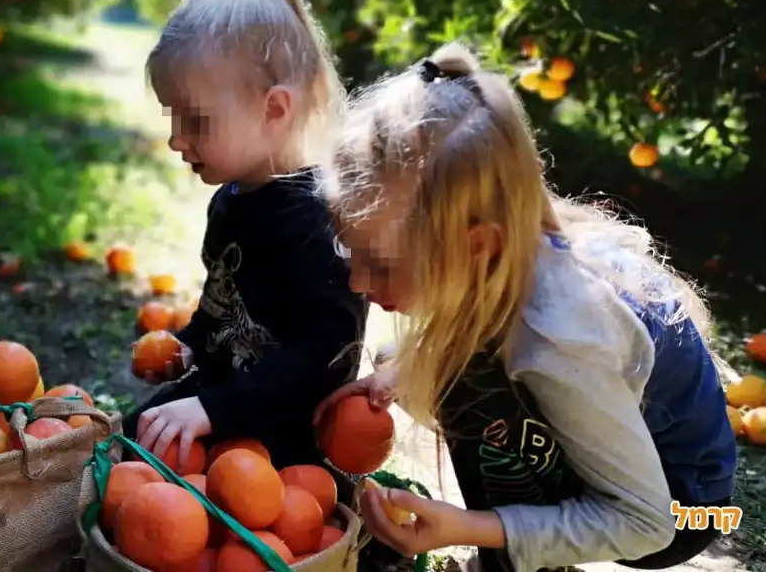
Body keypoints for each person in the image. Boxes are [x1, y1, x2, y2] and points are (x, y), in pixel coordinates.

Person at [313, 42, 737, 571]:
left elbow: (647, 524)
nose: (357, 280)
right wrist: (401, 371)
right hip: (644, 476)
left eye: (382, 264)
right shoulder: (510, 252)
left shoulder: (563, 335)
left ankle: (514, 561)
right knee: (416, 356)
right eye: (350, 250)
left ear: (477, 246)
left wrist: (473, 529)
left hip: (682, 511)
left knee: (463, 379)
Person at [123, 0, 369, 472]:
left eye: (195, 121)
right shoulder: (233, 196)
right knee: (120, 451)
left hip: (284, 433)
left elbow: (326, 357)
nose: (175, 140)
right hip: (222, 401)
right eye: (173, 118)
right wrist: (189, 347)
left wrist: (214, 409)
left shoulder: (315, 221)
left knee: (193, 511)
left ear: (274, 109)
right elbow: (223, 314)